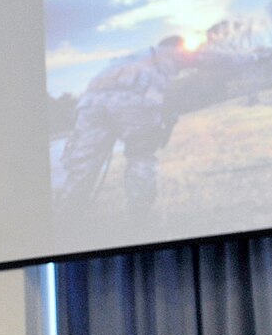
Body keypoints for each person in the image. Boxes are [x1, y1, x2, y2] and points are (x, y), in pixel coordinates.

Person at [55, 34, 201, 220]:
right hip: (130, 103)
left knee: (82, 167)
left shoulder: (127, 59)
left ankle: (67, 216)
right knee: (141, 156)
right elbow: (157, 97)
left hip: (89, 104)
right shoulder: (164, 59)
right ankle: (138, 217)